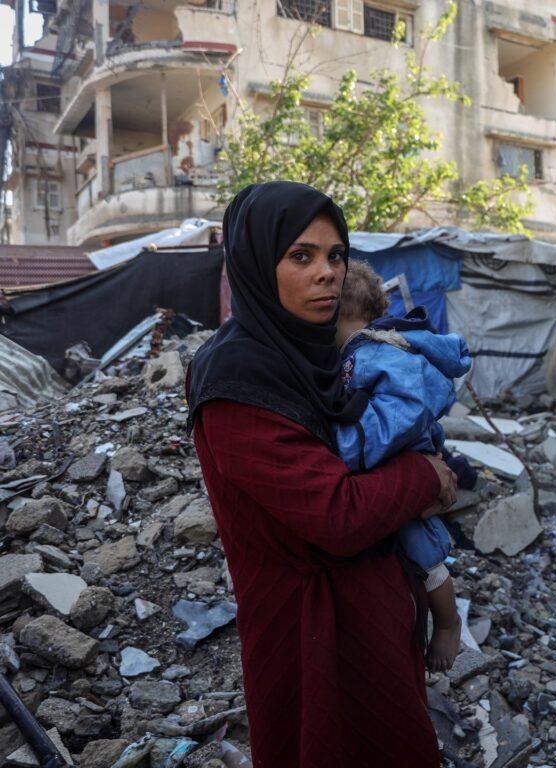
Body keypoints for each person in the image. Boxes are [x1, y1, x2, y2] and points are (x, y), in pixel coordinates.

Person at [186, 181, 456, 768]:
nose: (327, 273)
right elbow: (335, 515)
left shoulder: (316, 353)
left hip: (370, 612)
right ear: (258, 265)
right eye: (301, 256)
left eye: (335, 256)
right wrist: (426, 477)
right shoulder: (238, 378)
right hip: (310, 630)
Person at [334, 260, 470, 673]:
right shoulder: (363, 350)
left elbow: (404, 410)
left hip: (403, 453)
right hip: (393, 457)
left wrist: (352, 448)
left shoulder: (377, 352)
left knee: (421, 549)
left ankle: (448, 622)